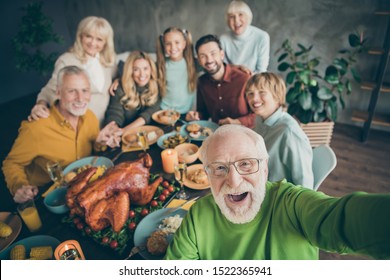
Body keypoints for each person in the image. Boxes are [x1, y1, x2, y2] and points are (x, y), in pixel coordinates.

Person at [164, 124, 390, 260]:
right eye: (220, 168)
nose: (232, 181)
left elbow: (344, 220)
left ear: (264, 169)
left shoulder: (292, 204)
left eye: (246, 164)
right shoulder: (198, 215)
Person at [2, 66, 122, 204]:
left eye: (85, 90)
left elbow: (93, 152)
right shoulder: (36, 128)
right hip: (48, 197)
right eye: (72, 91)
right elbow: (11, 163)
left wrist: (100, 143)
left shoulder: (89, 117)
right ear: (58, 92)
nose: (80, 98)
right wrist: (18, 186)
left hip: (84, 191)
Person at [29, 16, 117, 125]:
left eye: (99, 39)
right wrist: (40, 105)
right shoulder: (66, 60)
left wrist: (118, 80)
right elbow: (49, 90)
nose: (93, 43)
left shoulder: (109, 61)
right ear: (80, 37)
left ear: (105, 43)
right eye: (88, 36)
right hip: (77, 125)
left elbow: (123, 76)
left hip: (104, 125)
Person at [245, 72, 313, 188]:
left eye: (262, 92)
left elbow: (305, 184)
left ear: (277, 96)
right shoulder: (259, 118)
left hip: (277, 196)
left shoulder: (289, 132)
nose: (254, 99)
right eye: (250, 93)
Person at [186, 34, 255, 127]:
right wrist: (196, 115)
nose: (209, 60)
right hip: (217, 134)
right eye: (203, 56)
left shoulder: (244, 78)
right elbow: (204, 113)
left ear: (222, 55)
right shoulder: (201, 82)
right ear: (198, 60)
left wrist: (238, 122)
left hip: (244, 134)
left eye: (213, 54)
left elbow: (258, 114)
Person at [104, 51, 160, 132]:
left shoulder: (156, 86)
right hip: (126, 136)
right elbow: (115, 112)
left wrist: (123, 130)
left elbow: (150, 113)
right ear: (130, 71)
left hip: (151, 133)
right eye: (136, 69)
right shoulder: (120, 87)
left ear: (151, 69)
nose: (142, 74)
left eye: (145, 68)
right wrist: (113, 129)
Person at [156, 27, 198, 114]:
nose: (173, 47)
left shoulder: (193, 63)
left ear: (184, 44)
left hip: (186, 114)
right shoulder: (160, 65)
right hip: (164, 112)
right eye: (168, 44)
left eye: (177, 42)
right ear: (163, 46)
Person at [220, 0, 270, 74]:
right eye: (231, 17)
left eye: (240, 15)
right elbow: (223, 68)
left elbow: (261, 71)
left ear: (248, 17)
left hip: (255, 82)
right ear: (227, 21)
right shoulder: (223, 39)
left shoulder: (262, 37)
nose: (236, 20)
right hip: (232, 80)